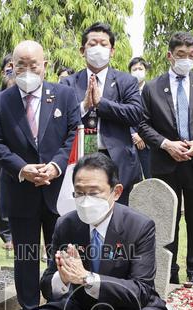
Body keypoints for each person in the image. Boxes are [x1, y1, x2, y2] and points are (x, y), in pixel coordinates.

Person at [10, 152, 170, 310]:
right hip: (81, 309)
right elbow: (46, 283)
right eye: (79, 193)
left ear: (116, 192)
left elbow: (140, 290)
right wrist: (62, 278)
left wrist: (87, 278)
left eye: (94, 193)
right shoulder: (67, 224)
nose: (86, 200)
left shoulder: (139, 226)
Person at [0, 40, 81, 310]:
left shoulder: (64, 95)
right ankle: (28, 308)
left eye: (33, 65)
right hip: (20, 190)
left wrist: (56, 166)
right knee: (25, 256)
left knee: (61, 253)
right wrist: (22, 169)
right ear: (12, 67)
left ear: (45, 66)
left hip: (58, 190)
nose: (27, 71)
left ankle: (61, 305)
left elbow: (72, 133)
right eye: (21, 66)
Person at [138, 31, 193, 286]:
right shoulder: (153, 88)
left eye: (192, 55)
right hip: (165, 165)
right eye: (181, 55)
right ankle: (168, 271)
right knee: (167, 221)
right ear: (170, 56)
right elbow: (142, 123)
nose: (186, 60)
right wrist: (165, 144)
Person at [60, 22, 145, 205]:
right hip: (81, 157)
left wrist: (101, 104)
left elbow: (136, 113)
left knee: (118, 215)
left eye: (103, 44)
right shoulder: (68, 84)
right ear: (83, 50)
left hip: (116, 159)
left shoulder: (126, 81)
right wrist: (83, 105)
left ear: (112, 50)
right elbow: (60, 120)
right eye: (92, 44)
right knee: (84, 212)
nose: (98, 48)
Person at [0, 53, 15, 249]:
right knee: (3, 195)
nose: (13, 68)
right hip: (3, 156)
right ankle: (6, 233)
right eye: (10, 65)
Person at [128, 56, 152, 179]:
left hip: (148, 143)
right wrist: (134, 134)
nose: (138, 71)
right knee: (129, 180)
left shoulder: (152, 90)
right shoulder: (124, 91)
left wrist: (142, 135)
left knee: (150, 178)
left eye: (140, 68)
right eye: (134, 69)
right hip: (129, 141)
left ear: (145, 71)